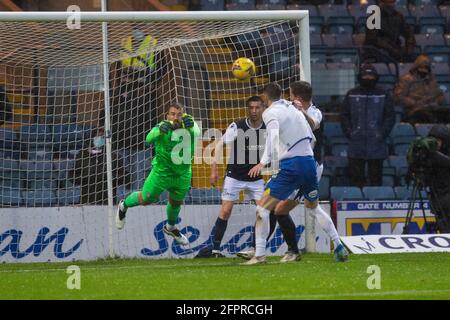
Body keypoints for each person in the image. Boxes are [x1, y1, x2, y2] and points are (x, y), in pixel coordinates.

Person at [238, 81, 348, 263]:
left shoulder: (293, 112)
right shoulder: (292, 110)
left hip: (295, 165)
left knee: (265, 208)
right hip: (308, 163)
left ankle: (259, 254)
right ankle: (338, 245)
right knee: (311, 208)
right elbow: (310, 135)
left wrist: (263, 162)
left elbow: (308, 128)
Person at [115, 103, 201, 246]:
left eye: (179, 115)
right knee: (145, 200)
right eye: (172, 114)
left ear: (184, 115)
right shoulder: (162, 126)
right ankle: (124, 205)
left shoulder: (190, 124)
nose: (175, 117)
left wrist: (191, 126)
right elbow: (148, 138)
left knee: (175, 203)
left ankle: (170, 227)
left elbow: (197, 132)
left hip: (182, 174)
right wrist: (159, 131)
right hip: (161, 173)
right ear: (167, 116)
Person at [205, 96, 274, 258]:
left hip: (255, 179)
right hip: (234, 176)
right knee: (226, 210)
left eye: (258, 107)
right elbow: (220, 145)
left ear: (263, 109)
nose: (255, 111)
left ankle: (254, 248)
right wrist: (214, 171)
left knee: (264, 211)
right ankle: (215, 249)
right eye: (251, 108)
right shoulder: (238, 126)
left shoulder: (268, 127)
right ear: (247, 109)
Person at [341, 64, 395, 188]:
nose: (368, 78)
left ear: (376, 77)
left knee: (376, 180)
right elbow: (344, 116)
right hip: (356, 144)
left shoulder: (383, 94)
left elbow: (390, 117)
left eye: (371, 75)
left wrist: (382, 134)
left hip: (377, 144)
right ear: (360, 77)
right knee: (356, 180)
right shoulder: (352, 94)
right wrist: (350, 133)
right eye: (365, 75)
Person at [72, 128, 129, 205]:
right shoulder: (82, 155)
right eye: (97, 136)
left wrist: (112, 177)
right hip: (87, 198)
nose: (100, 139)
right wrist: (86, 177)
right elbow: (73, 176)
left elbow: (124, 177)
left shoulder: (113, 156)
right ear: (92, 138)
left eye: (102, 137)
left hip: (107, 199)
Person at [394, 54, 446, 124]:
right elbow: (398, 96)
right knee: (423, 115)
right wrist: (414, 103)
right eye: (421, 70)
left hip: (432, 109)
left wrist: (436, 102)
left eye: (426, 70)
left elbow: (441, 96)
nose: (423, 72)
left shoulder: (432, 81)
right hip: (415, 111)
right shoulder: (406, 79)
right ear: (416, 68)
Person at [426, 125, 450, 233]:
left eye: (438, 140)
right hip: (437, 196)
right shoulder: (427, 156)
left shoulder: (444, 155)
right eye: (433, 140)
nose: (436, 143)